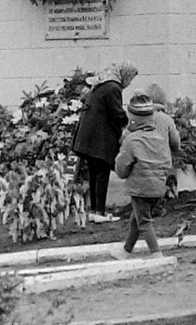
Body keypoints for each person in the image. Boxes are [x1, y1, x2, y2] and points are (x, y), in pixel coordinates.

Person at [71, 60, 138, 222]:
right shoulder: (113, 88)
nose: (129, 84)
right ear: (125, 75)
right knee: (102, 173)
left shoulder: (103, 85)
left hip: (87, 137)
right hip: (98, 139)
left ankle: (94, 211)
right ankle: (100, 213)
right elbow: (117, 114)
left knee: (94, 173)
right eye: (130, 79)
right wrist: (129, 123)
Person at [113, 92, 174, 257]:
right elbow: (167, 162)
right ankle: (126, 250)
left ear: (133, 119)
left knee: (144, 222)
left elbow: (122, 166)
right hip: (158, 187)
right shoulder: (159, 139)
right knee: (137, 218)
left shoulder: (132, 140)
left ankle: (156, 253)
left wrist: (122, 172)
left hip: (140, 188)